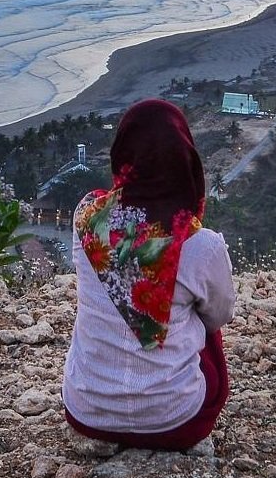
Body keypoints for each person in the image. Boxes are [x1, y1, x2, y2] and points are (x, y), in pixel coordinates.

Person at [61, 98, 236, 451]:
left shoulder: (87, 220)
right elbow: (221, 316)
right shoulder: (202, 246)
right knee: (207, 332)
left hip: (87, 411)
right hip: (173, 423)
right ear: (186, 162)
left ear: (123, 156)